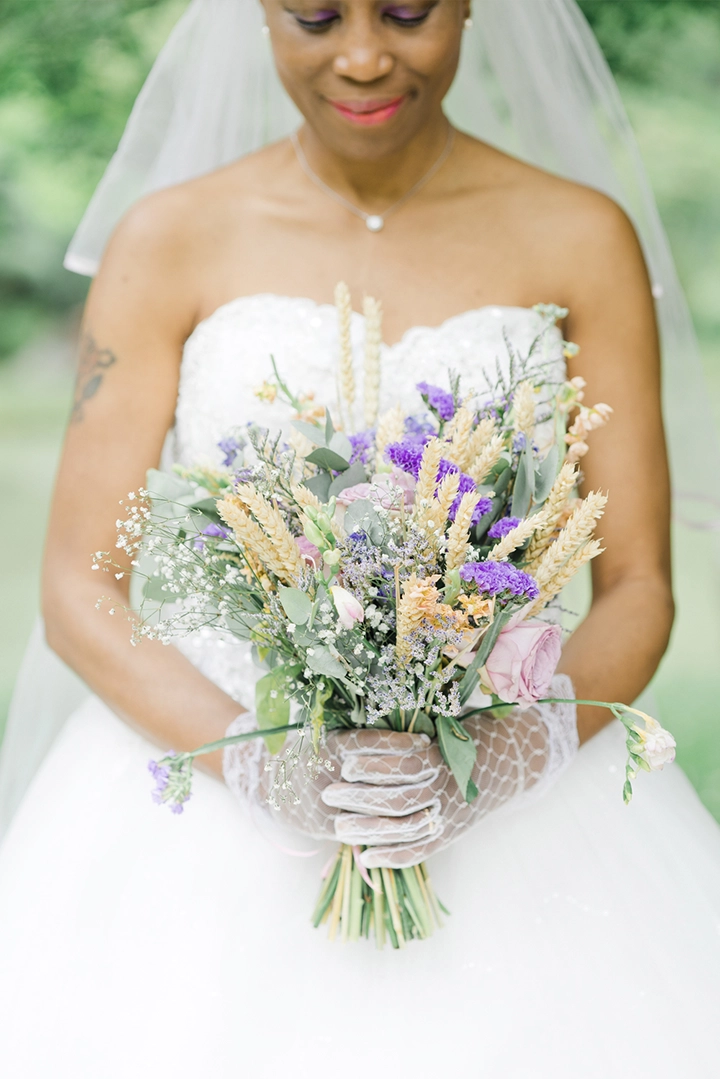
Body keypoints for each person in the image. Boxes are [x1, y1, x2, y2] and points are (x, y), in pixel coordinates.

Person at [0, 2, 719, 1076]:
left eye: (408, 11)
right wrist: (263, 764)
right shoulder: (169, 236)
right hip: (209, 795)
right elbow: (76, 586)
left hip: (520, 804)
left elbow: (640, 585)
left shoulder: (580, 233)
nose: (365, 54)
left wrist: (510, 756)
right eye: (316, 16)